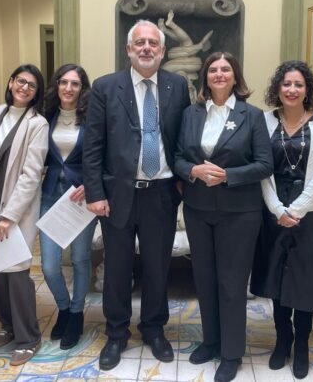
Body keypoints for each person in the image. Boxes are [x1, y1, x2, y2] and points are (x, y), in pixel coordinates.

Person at [83, 20, 190, 370]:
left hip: (161, 194)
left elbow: (183, 138)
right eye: (139, 43)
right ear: (129, 49)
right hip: (117, 196)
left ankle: (154, 329)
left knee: (158, 267)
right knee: (117, 268)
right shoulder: (105, 87)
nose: (146, 48)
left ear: (163, 51)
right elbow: (93, 145)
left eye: (152, 43)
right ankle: (116, 334)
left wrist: (182, 180)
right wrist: (95, 192)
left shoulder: (177, 86)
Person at [174, 52, 273, 382]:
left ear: (235, 76)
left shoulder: (252, 116)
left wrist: (228, 176)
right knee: (204, 280)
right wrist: (193, 170)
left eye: (225, 69)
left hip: (239, 213)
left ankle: (231, 353)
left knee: (231, 284)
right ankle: (211, 341)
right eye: (213, 69)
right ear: (205, 77)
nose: (219, 74)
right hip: (198, 210)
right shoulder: (191, 114)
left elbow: (264, 164)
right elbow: (177, 157)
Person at [250, 60, 313, 379]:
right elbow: (262, 170)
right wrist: (277, 209)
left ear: (307, 89)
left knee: (304, 280)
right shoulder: (264, 121)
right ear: (278, 88)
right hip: (273, 212)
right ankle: (282, 338)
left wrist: (296, 210)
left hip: (310, 214)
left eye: (298, 84)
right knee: (277, 278)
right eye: (286, 84)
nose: (292, 89)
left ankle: (301, 343)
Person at [0, 64, 48, 366]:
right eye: (21, 81)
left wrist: (9, 216)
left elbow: (32, 175)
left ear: (36, 93)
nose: (24, 88)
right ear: (10, 82)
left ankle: (28, 338)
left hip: (16, 205)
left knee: (17, 271)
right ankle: (7, 325)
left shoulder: (38, 124)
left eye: (31, 85)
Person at [39, 63, 95, 349]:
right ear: (57, 85)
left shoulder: (92, 118)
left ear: (82, 89)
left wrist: (92, 184)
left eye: (75, 83)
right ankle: (63, 307)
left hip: (80, 198)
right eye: (64, 82)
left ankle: (76, 314)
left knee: (80, 259)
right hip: (50, 195)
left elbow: (103, 155)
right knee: (49, 264)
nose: (68, 88)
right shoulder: (45, 116)